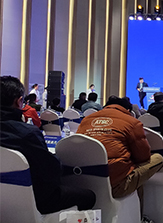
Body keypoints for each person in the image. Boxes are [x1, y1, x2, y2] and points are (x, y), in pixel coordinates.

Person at [1, 75, 96, 214]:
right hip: (35, 200)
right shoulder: (27, 134)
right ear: (19, 101)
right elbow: (51, 172)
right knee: (89, 197)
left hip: (5, 201)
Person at [77, 95, 163, 223]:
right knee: (157, 159)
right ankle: (139, 219)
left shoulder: (86, 120)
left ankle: (138, 216)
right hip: (116, 185)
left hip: (84, 183)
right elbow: (143, 157)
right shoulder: (132, 122)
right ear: (128, 110)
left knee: (132, 167)